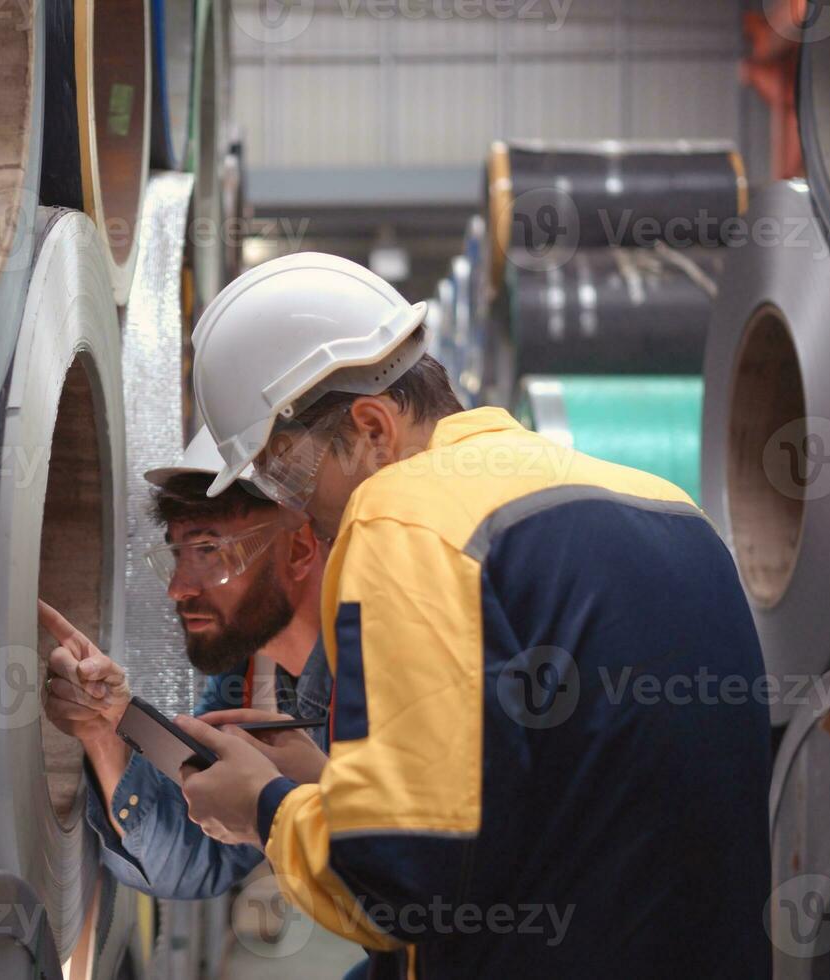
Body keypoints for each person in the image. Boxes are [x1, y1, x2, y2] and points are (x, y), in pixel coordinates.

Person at [170, 253, 771, 978]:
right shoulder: (670, 509)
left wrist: (262, 809)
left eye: (288, 473)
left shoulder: (404, 518)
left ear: (372, 428)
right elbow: (553, 799)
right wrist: (332, 791)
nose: (298, 508)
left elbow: (395, 885)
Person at [39, 427, 333, 900]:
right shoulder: (253, 678)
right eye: (177, 554)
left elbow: (407, 874)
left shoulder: (381, 674)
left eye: (208, 551)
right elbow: (195, 857)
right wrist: (107, 721)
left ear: (298, 549)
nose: (179, 588)